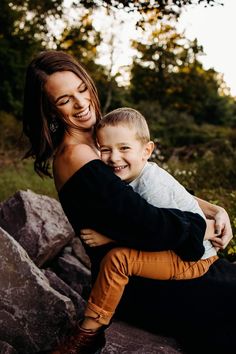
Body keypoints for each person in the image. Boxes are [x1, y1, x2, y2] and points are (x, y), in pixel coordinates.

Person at [22, 50, 233, 354]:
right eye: (65, 100)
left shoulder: (100, 141)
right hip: (143, 285)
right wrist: (201, 225)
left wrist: (213, 208)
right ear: (50, 111)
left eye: (82, 89)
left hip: (164, 267)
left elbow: (148, 185)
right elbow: (149, 224)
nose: (81, 104)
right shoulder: (76, 157)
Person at [78, 106, 219, 332]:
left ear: (146, 150)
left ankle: (89, 329)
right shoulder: (130, 175)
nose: (114, 158)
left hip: (193, 257)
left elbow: (154, 234)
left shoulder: (151, 186)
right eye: (105, 149)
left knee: (118, 260)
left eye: (124, 148)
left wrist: (108, 237)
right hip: (178, 242)